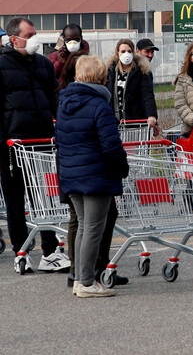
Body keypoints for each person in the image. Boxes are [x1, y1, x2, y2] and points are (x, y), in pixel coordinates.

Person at [0, 17, 71, 272]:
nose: (34, 39)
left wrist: (56, 127)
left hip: (41, 140)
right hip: (12, 143)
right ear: (14, 38)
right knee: (15, 199)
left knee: (43, 197)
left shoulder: (42, 64)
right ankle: (21, 252)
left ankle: (50, 251)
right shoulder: (2, 64)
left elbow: (53, 99)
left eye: (35, 34)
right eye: (29, 35)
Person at [55, 56, 128, 298]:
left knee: (84, 227)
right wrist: (122, 168)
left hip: (72, 173)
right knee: (94, 229)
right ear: (101, 79)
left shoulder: (64, 103)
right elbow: (111, 145)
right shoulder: (99, 106)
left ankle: (79, 278)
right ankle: (87, 282)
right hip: (96, 174)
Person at [105, 39, 158, 134]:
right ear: (117, 53)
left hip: (135, 122)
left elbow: (147, 95)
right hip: (114, 123)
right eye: (123, 51)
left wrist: (152, 116)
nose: (126, 54)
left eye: (129, 51)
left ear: (133, 52)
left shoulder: (141, 71)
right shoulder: (110, 71)